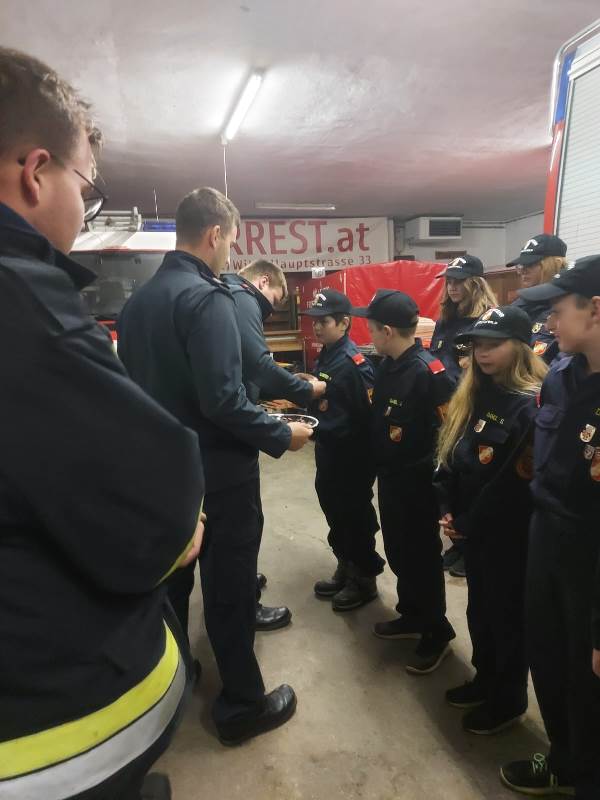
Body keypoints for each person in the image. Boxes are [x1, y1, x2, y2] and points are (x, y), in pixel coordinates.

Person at [0, 48, 205, 800]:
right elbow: (156, 518)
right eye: (86, 186)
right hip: (50, 719)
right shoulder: (24, 303)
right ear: (36, 173)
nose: (85, 208)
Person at [117, 187, 313, 746]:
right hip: (219, 473)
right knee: (229, 586)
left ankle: (177, 676)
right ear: (215, 235)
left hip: (163, 470)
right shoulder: (209, 299)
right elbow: (224, 401)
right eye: (231, 241)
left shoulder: (138, 303)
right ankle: (242, 705)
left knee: (174, 583)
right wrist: (283, 433)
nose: (231, 252)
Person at [500, 256, 600, 799]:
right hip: (548, 536)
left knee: (591, 673)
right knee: (550, 657)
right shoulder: (560, 375)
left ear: (596, 310)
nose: (549, 323)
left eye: (558, 311)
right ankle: (565, 761)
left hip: (591, 552)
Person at [434, 306, 547, 734]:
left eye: (493, 344)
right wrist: (445, 505)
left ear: (519, 347)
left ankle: (507, 698)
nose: (482, 353)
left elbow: (510, 487)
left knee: (505, 617)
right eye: (478, 344)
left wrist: (466, 522)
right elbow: (451, 454)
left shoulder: (530, 407)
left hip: (506, 536)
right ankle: (486, 678)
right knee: (480, 610)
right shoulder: (476, 394)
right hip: (473, 531)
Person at [352, 290, 456, 673]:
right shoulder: (388, 366)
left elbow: (449, 438)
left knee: (421, 557)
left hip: (417, 485)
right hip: (391, 478)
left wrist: (444, 495)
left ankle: (437, 631)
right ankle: (412, 614)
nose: (369, 335)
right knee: (398, 551)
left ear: (388, 331)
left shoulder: (430, 374)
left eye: (371, 329)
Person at [223, 260, 326, 630]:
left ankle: (242, 583)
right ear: (263, 281)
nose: (271, 309)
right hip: (229, 438)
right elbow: (257, 365)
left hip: (215, 435)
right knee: (243, 525)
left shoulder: (224, 296)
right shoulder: (243, 297)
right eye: (275, 300)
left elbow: (244, 367)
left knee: (238, 523)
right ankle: (243, 605)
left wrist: (274, 389)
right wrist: (305, 390)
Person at [301, 289, 385, 610]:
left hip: (351, 458)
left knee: (354, 517)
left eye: (323, 321)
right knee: (335, 512)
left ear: (344, 322)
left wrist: (314, 428)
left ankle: (363, 578)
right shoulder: (327, 355)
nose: (316, 327)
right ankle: (345, 564)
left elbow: (364, 419)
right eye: (314, 321)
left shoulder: (354, 363)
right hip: (329, 453)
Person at [430, 255, 498, 578]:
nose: (452, 287)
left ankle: (472, 544)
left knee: (474, 475)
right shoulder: (446, 320)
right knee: (451, 475)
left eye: (459, 281)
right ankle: (457, 542)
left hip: (475, 409)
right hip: (447, 411)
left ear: (475, 283)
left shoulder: (486, 322)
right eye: (449, 281)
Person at [506, 233, 568, 364]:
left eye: (530, 264)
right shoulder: (517, 307)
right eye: (521, 265)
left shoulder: (568, 305)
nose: (523, 271)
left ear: (554, 265)